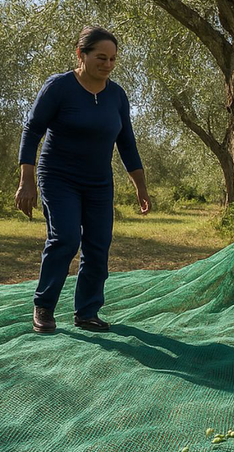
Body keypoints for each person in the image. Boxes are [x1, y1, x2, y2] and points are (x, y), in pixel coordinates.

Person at [15, 26, 151, 333]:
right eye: (101, 57)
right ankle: (44, 307)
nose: (108, 64)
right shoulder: (59, 87)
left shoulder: (116, 95)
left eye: (113, 59)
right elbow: (32, 130)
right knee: (65, 238)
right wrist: (26, 180)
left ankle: (87, 312)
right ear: (81, 55)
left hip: (99, 183)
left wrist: (140, 186)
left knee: (98, 245)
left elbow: (126, 143)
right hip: (58, 177)